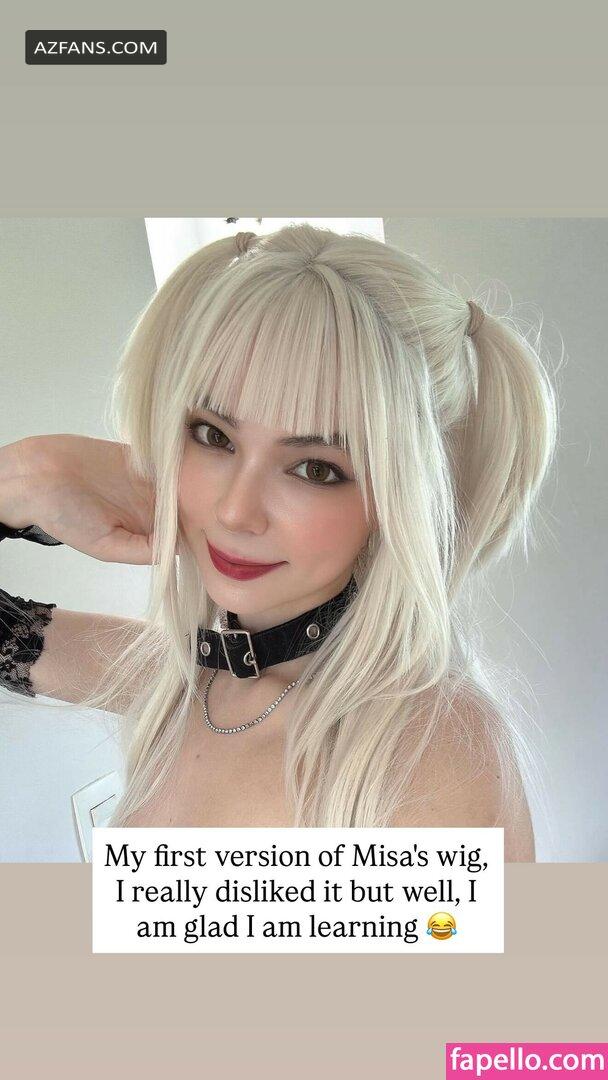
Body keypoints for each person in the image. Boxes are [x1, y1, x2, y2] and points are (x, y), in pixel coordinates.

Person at [0, 224, 557, 857]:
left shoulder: (427, 755)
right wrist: (24, 477)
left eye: (315, 469)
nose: (235, 511)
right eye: (213, 435)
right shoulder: (184, 677)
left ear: (396, 504)